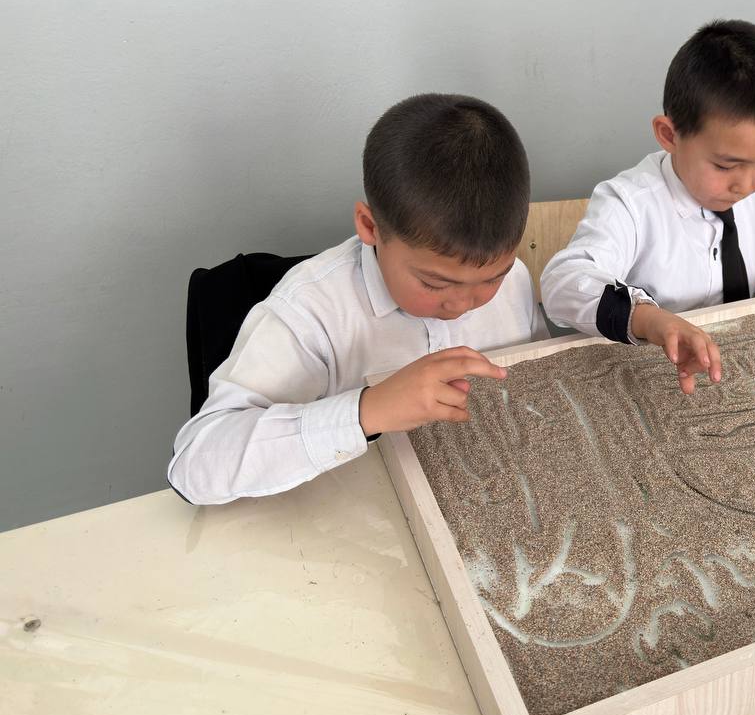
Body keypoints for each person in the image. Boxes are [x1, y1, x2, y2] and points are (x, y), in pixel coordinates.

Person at [169, 94, 541, 504]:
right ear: (369, 226)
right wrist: (367, 410)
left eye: (491, 278)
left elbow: (533, 393)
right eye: (434, 284)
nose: (462, 305)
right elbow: (194, 466)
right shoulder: (309, 311)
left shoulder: (516, 280)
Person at [540, 19, 755, 394]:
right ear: (669, 135)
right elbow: (562, 284)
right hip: (650, 385)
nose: (746, 183)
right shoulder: (630, 204)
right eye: (725, 166)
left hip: (736, 380)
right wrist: (650, 320)